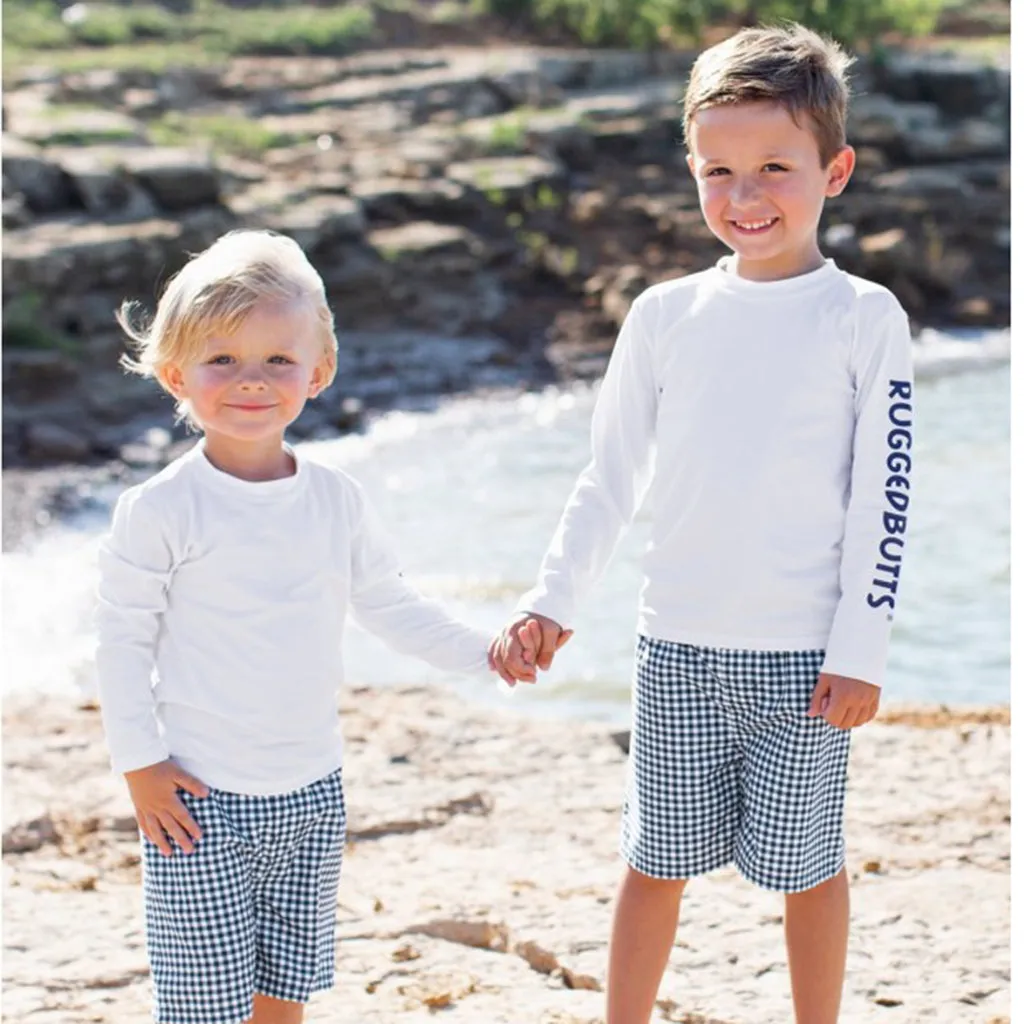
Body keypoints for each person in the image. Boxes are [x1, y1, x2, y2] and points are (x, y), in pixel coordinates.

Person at [490, 22, 914, 1024]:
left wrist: (861, 649)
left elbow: (885, 503)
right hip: (675, 648)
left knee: (806, 867)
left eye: (775, 166)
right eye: (717, 170)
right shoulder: (663, 315)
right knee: (654, 857)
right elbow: (609, 475)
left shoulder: (864, 318)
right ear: (690, 171)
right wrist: (551, 601)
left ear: (835, 169)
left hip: (806, 660)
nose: (745, 195)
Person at [95, 230, 493, 1024]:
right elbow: (122, 642)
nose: (252, 382)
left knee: (285, 994)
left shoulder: (335, 499)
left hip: (311, 795)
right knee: (204, 1005)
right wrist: (140, 764)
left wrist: (486, 652)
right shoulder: (162, 509)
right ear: (175, 373)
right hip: (197, 801)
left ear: (320, 371)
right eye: (223, 361)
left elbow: (390, 604)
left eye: (278, 360)